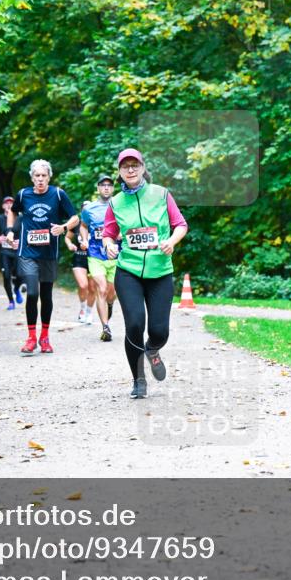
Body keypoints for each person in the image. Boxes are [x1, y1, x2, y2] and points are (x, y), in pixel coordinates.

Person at [102, 149, 188, 398]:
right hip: (128, 271)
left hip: (160, 271)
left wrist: (171, 241)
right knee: (135, 324)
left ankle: (152, 350)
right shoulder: (116, 202)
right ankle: (138, 379)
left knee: (160, 331)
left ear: (142, 168)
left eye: (135, 165)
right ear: (119, 171)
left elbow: (180, 224)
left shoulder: (161, 194)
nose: (130, 169)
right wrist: (108, 245)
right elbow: (108, 233)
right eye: (125, 166)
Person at [9, 159, 78, 355]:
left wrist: (63, 227)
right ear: (32, 177)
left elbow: (75, 218)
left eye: (43, 175)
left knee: (46, 295)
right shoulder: (23, 194)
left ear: (49, 177)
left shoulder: (58, 194)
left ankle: (44, 337)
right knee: (32, 293)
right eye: (37, 175)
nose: (40, 179)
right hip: (27, 252)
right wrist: (10, 231)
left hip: (48, 253)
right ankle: (31, 338)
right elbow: (13, 213)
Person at [80, 175, 119, 341]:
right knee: (101, 289)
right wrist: (84, 240)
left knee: (111, 293)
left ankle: (110, 304)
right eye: (103, 185)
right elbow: (83, 226)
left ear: (113, 188)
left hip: (115, 254)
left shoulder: (120, 205)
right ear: (98, 188)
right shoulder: (89, 209)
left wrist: (122, 234)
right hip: (96, 254)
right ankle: (105, 327)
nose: (106, 188)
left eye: (109, 185)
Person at [66, 201, 96, 324]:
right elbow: (67, 237)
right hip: (79, 258)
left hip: (94, 259)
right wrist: (70, 245)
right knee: (83, 286)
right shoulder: (76, 224)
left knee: (92, 288)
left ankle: (89, 312)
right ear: (82, 211)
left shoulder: (97, 222)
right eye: (85, 209)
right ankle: (82, 309)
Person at [0, 197, 24, 310]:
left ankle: (16, 289)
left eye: (11, 203)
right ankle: (11, 301)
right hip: (5, 251)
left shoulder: (20, 218)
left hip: (17, 251)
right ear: (3, 206)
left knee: (20, 275)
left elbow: (26, 233)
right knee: (6, 276)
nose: (9, 205)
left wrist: (22, 241)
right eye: (6, 203)